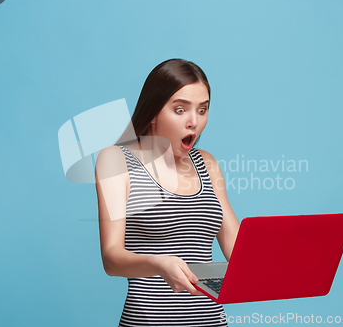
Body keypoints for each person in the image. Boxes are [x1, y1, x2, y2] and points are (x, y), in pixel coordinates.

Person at [95, 59, 240, 326]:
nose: (193, 122)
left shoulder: (207, 163)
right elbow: (111, 258)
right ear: (153, 110)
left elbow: (240, 250)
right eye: (180, 109)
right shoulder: (116, 160)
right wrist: (160, 264)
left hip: (211, 321)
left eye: (203, 109)